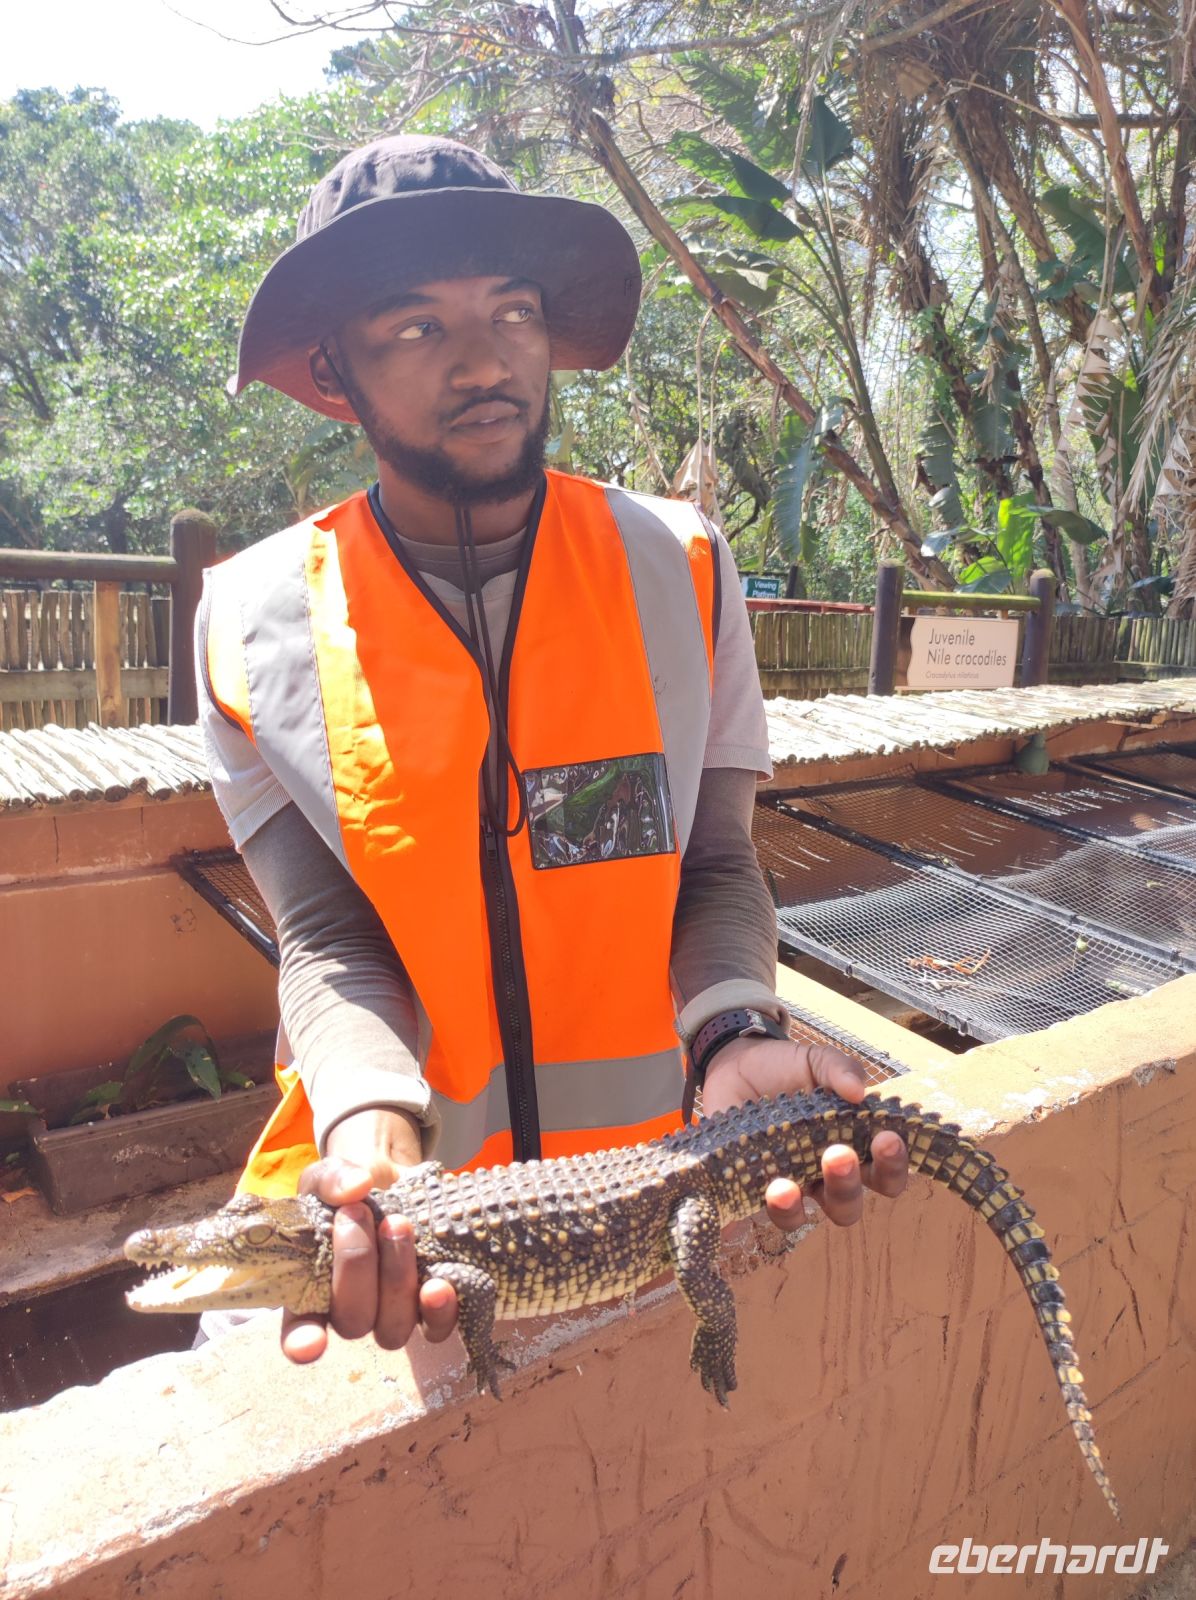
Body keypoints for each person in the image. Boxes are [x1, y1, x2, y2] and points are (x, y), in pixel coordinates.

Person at [197, 135, 908, 1365]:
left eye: (509, 310)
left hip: (655, 1195)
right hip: (398, 1235)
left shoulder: (678, 564)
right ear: (332, 369)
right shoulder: (251, 617)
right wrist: (368, 1119)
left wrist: (737, 1031)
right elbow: (324, 933)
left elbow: (715, 863)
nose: (481, 361)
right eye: (414, 327)